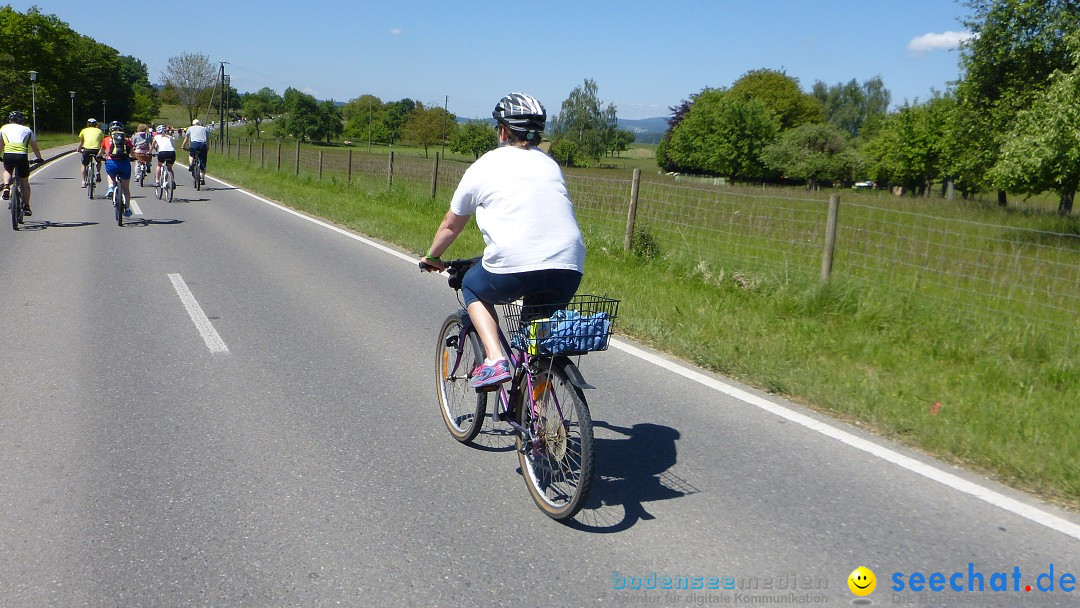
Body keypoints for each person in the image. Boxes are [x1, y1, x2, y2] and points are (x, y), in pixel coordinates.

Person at [419, 93, 585, 388]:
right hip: (568, 264)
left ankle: (495, 359)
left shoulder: (485, 165)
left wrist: (431, 257)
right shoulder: (550, 165)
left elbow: (451, 224)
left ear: (503, 130)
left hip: (513, 262)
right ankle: (540, 419)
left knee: (471, 284)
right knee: (537, 346)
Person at [0, 111, 45, 215]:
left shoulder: (3, 128)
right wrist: (39, 158)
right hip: (22, 156)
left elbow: (0, 144)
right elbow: (35, 147)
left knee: (7, 170)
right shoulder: (27, 130)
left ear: (10, 120)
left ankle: (6, 186)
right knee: (25, 183)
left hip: (8, 155)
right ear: (21, 120)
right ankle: (26, 206)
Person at [99, 121, 134, 217]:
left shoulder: (106, 139)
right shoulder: (126, 140)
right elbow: (132, 152)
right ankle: (127, 209)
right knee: (126, 188)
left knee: (110, 174)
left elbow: (101, 152)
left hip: (111, 163)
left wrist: (99, 157)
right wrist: (135, 158)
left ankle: (111, 187)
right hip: (124, 164)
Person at [77, 118, 105, 187]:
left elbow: (82, 141)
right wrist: (103, 151)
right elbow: (102, 142)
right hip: (96, 149)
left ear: (87, 124)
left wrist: (79, 148)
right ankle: (98, 172)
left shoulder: (84, 130)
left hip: (87, 149)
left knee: (84, 165)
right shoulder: (99, 131)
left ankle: (83, 182)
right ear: (96, 124)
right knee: (98, 161)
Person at [181, 118, 209, 183]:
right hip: (202, 145)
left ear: (193, 124)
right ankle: (202, 177)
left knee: (191, 154)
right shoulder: (204, 129)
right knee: (203, 161)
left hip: (194, 144)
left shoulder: (190, 128)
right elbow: (207, 139)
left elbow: (186, 138)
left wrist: (183, 146)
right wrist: (207, 147)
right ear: (199, 124)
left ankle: (191, 164)